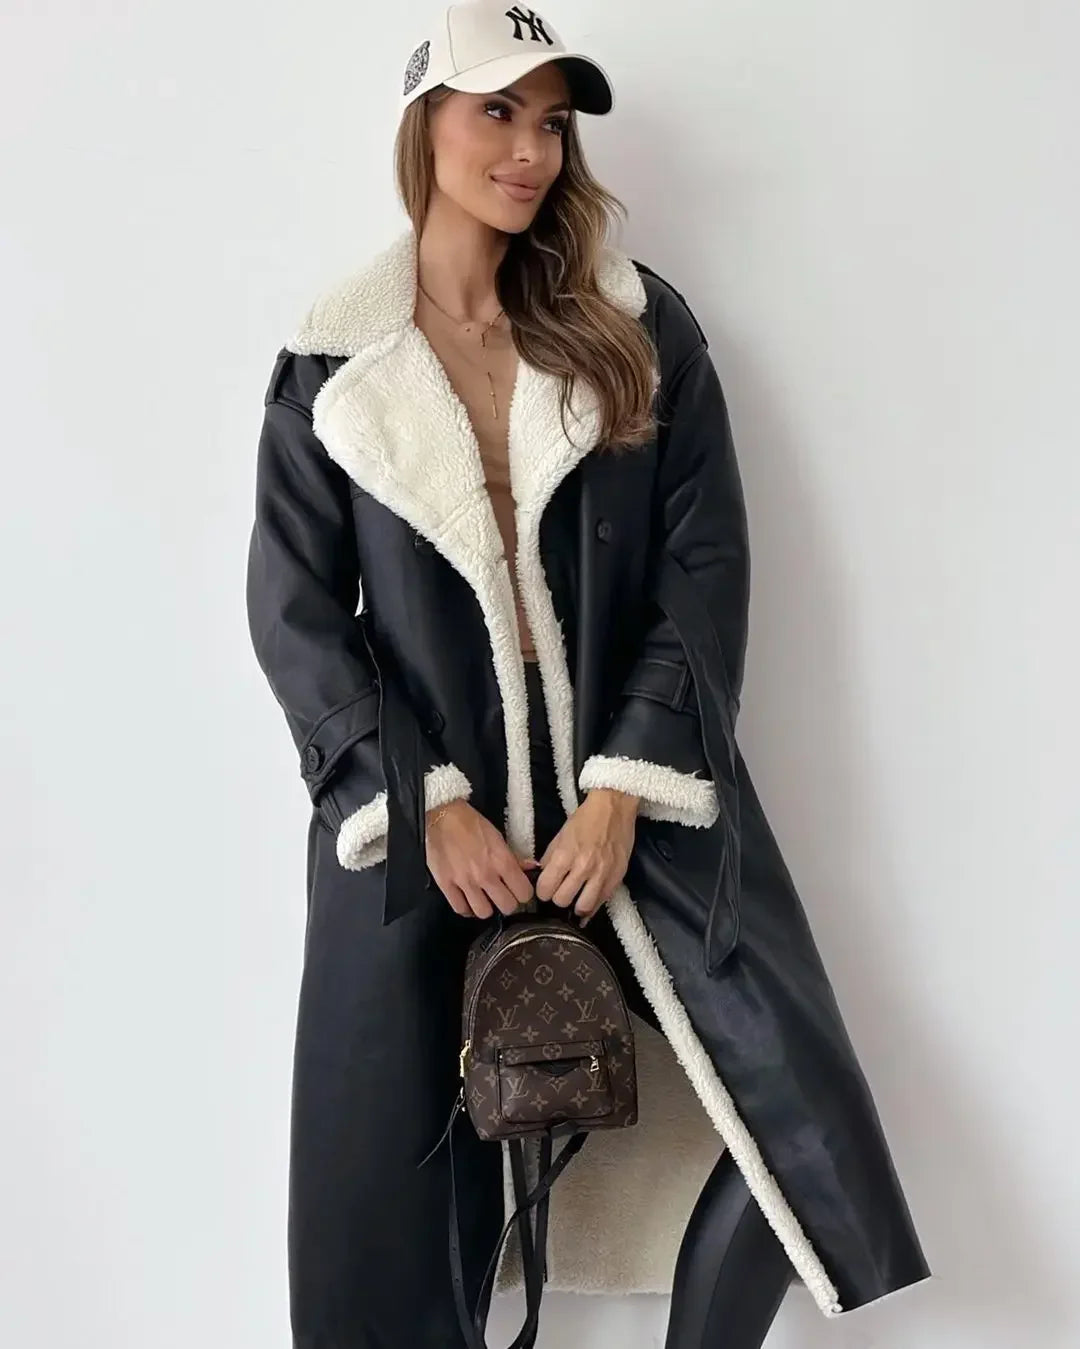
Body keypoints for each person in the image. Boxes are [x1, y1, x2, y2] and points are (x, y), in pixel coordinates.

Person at [245, 2, 932, 1345]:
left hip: (633, 819)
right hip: (421, 840)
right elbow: (295, 613)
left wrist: (625, 786)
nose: (530, 149)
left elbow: (704, 572)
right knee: (389, 1200)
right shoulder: (332, 367)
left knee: (796, 1135)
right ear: (424, 120)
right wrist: (419, 799)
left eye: (552, 120)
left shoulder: (634, 325)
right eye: (496, 110)